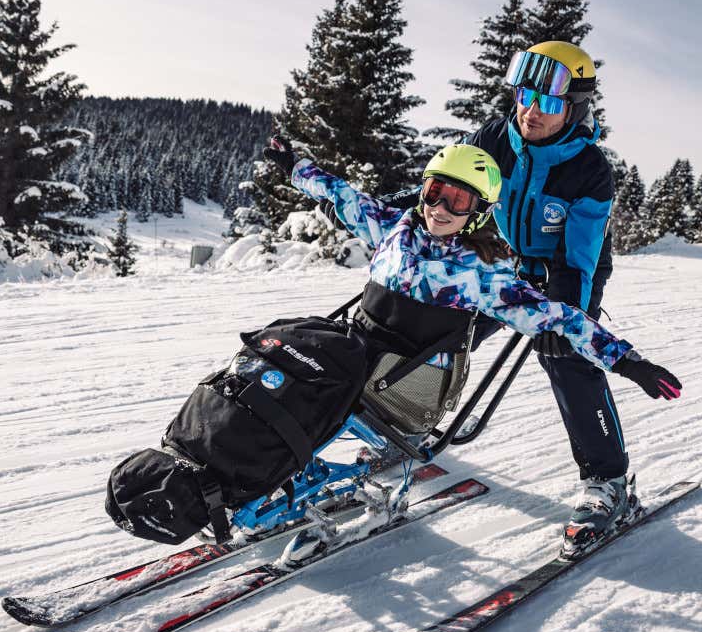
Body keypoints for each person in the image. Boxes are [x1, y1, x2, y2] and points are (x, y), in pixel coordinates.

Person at [263, 137, 680, 535]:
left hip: (429, 362)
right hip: (366, 357)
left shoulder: (485, 268)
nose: (441, 206)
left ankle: (606, 478)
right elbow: (344, 195)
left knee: (560, 361)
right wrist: (296, 168)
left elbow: (567, 304)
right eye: (434, 193)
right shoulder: (403, 225)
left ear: (478, 209)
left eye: (458, 200)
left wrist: (627, 360)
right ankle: (274, 461)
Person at [457, 40, 648, 532]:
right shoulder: (498, 136)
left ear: (575, 108)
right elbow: (456, 189)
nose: (530, 111)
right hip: (506, 258)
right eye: (524, 95)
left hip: (566, 273)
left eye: (547, 103)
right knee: (448, 326)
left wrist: (563, 317)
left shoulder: (589, 170)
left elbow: (580, 258)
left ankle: (608, 481)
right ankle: (406, 420)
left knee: (567, 357)